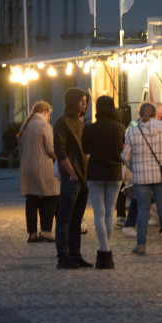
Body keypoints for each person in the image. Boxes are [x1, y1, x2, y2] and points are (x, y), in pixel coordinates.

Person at [121, 102, 162, 256]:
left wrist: (134, 168)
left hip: (141, 177)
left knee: (143, 209)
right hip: (161, 175)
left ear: (140, 114)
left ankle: (141, 245)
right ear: (154, 114)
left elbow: (125, 156)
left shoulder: (133, 131)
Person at [81, 95, 125, 269]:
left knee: (99, 212)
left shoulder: (90, 129)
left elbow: (85, 148)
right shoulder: (120, 128)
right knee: (109, 213)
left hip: (95, 173)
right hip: (114, 173)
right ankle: (107, 251)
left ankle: (104, 250)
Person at [53, 87, 91, 269]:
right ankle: (63, 256)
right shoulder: (62, 122)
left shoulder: (80, 122)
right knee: (65, 218)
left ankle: (75, 254)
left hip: (83, 177)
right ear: (72, 101)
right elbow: (60, 150)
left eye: (86, 101)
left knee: (77, 219)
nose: (84, 104)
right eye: (81, 100)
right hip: (72, 177)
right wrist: (72, 172)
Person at [17, 101, 58, 244]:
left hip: (27, 167)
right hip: (42, 167)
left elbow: (21, 148)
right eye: (49, 115)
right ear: (46, 113)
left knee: (32, 199)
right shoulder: (44, 126)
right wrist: (58, 156)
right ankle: (46, 230)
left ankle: (32, 234)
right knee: (52, 195)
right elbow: (51, 149)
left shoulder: (25, 126)